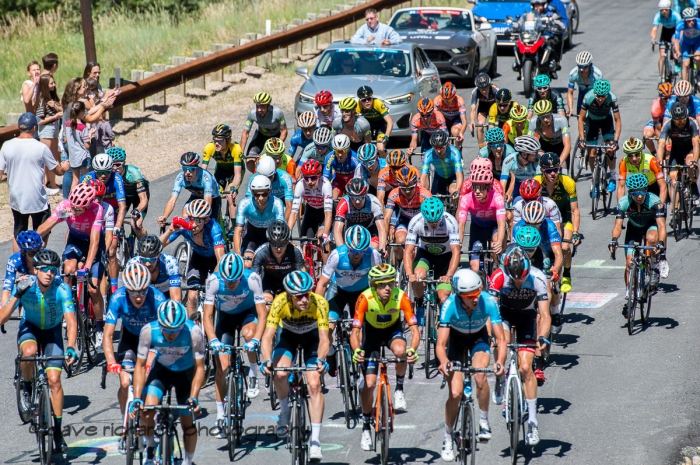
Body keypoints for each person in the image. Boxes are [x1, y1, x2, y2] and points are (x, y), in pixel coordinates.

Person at [0, 249, 77, 453]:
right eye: (44, 270)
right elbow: (2, 317)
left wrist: (71, 347)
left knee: (54, 380)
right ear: (36, 270)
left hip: (52, 332)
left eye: (53, 270)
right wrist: (17, 293)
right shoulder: (25, 285)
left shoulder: (62, 289)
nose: (49, 274)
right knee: (29, 351)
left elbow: (71, 321)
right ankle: (26, 387)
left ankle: (58, 432)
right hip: (30, 328)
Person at [437, 269, 506, 461]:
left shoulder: (488, 301)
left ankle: (484, 421)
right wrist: (444, 362)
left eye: (477, 293)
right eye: (469, 296)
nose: (475, 299)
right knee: (456, 394)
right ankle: (448, 436)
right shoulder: (450, 305)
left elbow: (501, 339)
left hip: (478, 338)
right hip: (456, 343)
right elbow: (441, 344)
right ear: (459, 296)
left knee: (480, 376)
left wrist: (500, 362)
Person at [261, 271, 330, 461]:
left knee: (314, 384)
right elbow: (267, 337)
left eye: (307, 293)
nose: (304, 299)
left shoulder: (319, 303)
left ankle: (315, 441)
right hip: (288, 338)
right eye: (298, 296)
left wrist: (322, 359)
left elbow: (325, 339)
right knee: (281, 374)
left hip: (312, 341)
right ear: (290, 296)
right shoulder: (279, 302)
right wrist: (266, 359)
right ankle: (284, 412)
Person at [351, 264, 419, 451]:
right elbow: (355, 331)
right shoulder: (365, 297)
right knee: (370, 384)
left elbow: (414, 330)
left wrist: (412, 350)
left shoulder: (401, 296)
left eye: (390, 283)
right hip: (371, 335)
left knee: (400, 351)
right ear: (374, 286)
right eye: (382, 284)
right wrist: (357, 351)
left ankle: (399, 388)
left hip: (392, 331)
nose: (388, 287)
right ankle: (365, 426)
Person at [488, 245, 550, 447]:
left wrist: (542, 337)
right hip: (504, 315)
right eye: (514, 279)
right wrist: (490, 334)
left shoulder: (538, 277)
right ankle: (500, 380)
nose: (517, 282)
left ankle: (532, 423)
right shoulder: (498, 276)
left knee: (525, 368)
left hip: (527, 318)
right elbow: (490, 311)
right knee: (501, 343)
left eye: (521, 279)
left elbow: (546, 315)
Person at [131, 300, 204, 465]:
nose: (171, 334)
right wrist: (136, 398)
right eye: (167, 330)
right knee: (147, 411)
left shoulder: (194, 332)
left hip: (185, 374)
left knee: (188, 423)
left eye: (176, 330)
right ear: (159, 324)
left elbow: (200, 368)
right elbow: (140, 366)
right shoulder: (149, 331)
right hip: (161, 371)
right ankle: (150, 446)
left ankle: (187, 461)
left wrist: (194, 398)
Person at [103, 262, 166, 452]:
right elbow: (107, 334)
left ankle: (151, 418)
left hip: (153, 340)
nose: (138, 296)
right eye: (134, 292)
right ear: (126, 289)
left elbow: (167, 332)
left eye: (142, 291)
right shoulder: (118, 298)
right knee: (124, 383)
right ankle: (126, 425)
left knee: (148, 378)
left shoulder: (157, 298)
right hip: (130, 340)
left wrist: (154, 357)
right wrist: (111, 361)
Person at [204, 252, 267, 435]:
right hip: (225, 318)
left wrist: (256, 340)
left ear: (241, 275)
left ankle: (253, 373)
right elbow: (207, 317)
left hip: (248, 314)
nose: (230, 285)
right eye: (227, 281)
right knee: (222, 368)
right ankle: (220, 417)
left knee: (248, 335)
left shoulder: (252, 278)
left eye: (235, 281)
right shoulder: (214, 281)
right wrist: (214, 340)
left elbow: (262, 314)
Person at [37, 183, 107, 343]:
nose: (74, 210)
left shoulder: (97, 209)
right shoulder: (65, 205)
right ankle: (67, 308)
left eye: (78, 209)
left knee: (94, 287)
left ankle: (99, 326)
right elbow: (42, 229)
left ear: (88, 206)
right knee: (68, 269)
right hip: (75, 240)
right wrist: (58, 219)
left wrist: (88, 267)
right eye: (73, 207)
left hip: (93, 243)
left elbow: (95, 242)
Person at [0, 113, 70, 251]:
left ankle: (19, 266)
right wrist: (65, 168)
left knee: (18, 232)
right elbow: (57, 171)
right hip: (38, 199)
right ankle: (37, 260)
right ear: (34, 128)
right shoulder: (41, 147)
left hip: (17, 198)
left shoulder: (6, 146)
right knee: (42, 231)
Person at [609, 174, 668, 317]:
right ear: (630, 193)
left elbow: (661, 226)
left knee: (652, 238)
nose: (639, 196)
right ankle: (630, 295)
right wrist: (614, 239)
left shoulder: (655, 201)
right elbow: (618, 225)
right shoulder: (623, 202)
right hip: (633, 228)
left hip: (650, 225)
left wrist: (661, 245)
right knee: (629, 263)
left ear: (646, 190)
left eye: (642, 192)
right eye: (635, 193)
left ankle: (654, 266)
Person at [160, 199, 226, 316]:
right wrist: (169, 231)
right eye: (191, 218)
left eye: (198, 220)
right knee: (192, 296)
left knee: (214, 295)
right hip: (198, 259)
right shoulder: (184, 227)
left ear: (206, 220)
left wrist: (213, 279)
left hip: (215, 261)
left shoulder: (214, 229)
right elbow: (158, 246)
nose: (194, 223)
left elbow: (221, 260)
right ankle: (192, 328)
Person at [405, 197, 461, 321]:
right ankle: (419, 303)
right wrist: (409, 274)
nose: (434, 225)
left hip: (445, 257)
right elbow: (408, 251)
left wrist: (449, 275)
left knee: (443, 297)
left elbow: (456, 251)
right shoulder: (416, 221)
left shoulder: (450, 222)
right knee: (418, 276)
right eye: (430, 222)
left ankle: (443, 321)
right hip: (426, 255)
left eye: (436, 221)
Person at [533, 153, 581, 295]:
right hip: (543, 218)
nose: (553, 173)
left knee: (565, 247)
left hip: (564, 217)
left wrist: (576, 233)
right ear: (542, 170)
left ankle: (566, 274)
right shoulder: (536, 182)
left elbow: (575, 211)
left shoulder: (568, 183)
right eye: (548, 170)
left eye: (556, 169)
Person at [457, 162, 506, 269]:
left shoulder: (497, 198)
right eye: (474, 187)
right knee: (474, 267)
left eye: (481, 188)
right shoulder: (467, 199)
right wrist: (459, 242)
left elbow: (501, 224)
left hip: (494, 227)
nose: (477, 191)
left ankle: (499, 267)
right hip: (477, 228)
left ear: (488, 187)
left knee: (498, 247)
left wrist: (499, 242)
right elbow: (461, 225)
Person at [578, 79, 621, 193]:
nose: (600, 98)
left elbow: (617, 121)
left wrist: (615, 141)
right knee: (591, 153)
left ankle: (612, 177)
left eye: (603, 96)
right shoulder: (588, 97)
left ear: (607, 94)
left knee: (610, 149)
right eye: (598, 96)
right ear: (594, 93)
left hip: (606, 122)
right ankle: (594, 178)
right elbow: (581, 119)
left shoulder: (612, 98)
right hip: (592, 122)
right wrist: (582, 139)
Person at [158, 152, 221, 228]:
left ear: (197, 168)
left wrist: (203, 216)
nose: (187, 172)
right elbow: (172, 200)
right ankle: (189, 239)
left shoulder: (205, 177)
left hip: (213, 198)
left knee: (210, 226)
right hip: (195, 197)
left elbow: (207, 200)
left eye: (191, 169)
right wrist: (165, 216)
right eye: (184, 169)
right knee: (185, 217)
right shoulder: (180, 178)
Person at [233, 175, 285, 262]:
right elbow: (237, 231)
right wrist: (238, 253)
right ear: (252, 193)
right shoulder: (244, 203)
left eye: (264, 194)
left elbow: (281, 229)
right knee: (247, 263)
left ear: (269, 192)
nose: (260, 198)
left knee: (273, 263)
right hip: (251, 236)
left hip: (271, 236)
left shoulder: (277, 203)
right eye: (257, 195)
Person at [251, 221, 305, 304]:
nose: (278, 248)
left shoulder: (295, 251)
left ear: (288, 241)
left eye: (282, 244)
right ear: (269, 241)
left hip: (289, 280)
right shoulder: (261, 252)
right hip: (269, 281)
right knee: (266, 304)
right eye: (274, 244)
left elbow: (302, 277)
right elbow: (253, 279)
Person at [657, 102, 700, 205]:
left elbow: (696, 144)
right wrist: (659, 161)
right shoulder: (668, 125)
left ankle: (693, 184)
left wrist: (695, 161)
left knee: (691, 163)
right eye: (677, 121)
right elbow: (661, 144)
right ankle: (675, 210)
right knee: (673, 180)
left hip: (689, 149)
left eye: (682, 120)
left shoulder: (692, 123)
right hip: (676, 151)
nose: (680, 123)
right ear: (672, 119)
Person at [202, 124, 244, 220]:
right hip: (221, 171)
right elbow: (203, 171)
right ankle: (216, 220)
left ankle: (235, 227)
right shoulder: (209, 147)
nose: (216, 143)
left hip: (235, 172)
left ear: (227, 140)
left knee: (230, 196)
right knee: (214, 195)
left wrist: (234, 187)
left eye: (220, 140)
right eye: (215, 139)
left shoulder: (236, 149)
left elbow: (237, 174)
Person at [384, 166, 432, 249]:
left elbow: (431, 218)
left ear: (416, 184)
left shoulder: (425, 195)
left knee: (421, 247)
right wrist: (384, 238)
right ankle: (399, 261)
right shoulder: (394, 194)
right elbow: (386, 218)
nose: (407, 191)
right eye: (403, 188)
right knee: (399, 241)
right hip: (404, 220)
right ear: (399, 186)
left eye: (411, 187)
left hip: (421, 221)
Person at [240, 92, 288, 173]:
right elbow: (245, 133)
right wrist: (241, 151)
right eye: (257, 106)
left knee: (275, 160)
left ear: (268, 106)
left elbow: (284, 131)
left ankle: (274, 176)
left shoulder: (277, 112)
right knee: (249, 160)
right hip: (260, 135)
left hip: (275, 136)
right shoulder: (252, 113)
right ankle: (258, 177)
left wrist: (277, 145)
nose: (259, 109)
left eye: (262, 107)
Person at [334, 178, 387, 251]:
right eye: (354, 197)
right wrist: (341, 251)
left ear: (366, 194)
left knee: (373, 248)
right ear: (349, 195)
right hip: (351, 231)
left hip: (370, 230)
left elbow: (381, 229)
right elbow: (337, 230)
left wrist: (382, 249)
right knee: (350, 250)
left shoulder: (373, 202)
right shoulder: (344, 203)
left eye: (361, 197)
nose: (357, 201)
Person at [107, 147, 150, 232]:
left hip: (138, 196)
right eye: (112, 165)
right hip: (124, 197)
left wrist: (137, 210)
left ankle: (145, 244)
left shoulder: (134, 174)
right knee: (115, 221)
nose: (114, 168)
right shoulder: (108, 174)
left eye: (118, 164)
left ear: (124, 163)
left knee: (136, 225)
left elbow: (144, 199)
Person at [288, 160, 334, 239]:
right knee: (305, 242)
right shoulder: (300, 185)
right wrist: (288, 233)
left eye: (313, 178)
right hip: (311, 211)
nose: (309, 182)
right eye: (306, 178)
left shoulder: (326, 185)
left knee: (321, 238)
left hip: (325, 212)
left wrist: (325, 235)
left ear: (319, 176)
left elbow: (328, 214)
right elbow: (294, 213)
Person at [130, 234, 182, 301]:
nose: (147, 264)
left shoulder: (170, 262)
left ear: (159, 256)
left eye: (152, 258)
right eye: (143, 259)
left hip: (166, 292)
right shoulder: (133, 264)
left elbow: (176, 299)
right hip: (145, 294)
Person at [35, 74, 63, 193]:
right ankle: (44, 186)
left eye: (54, 82)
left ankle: (52, 184)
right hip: (46, 130)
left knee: (52, 159)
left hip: (54, 129)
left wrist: (56, 108)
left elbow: (63, 108)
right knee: (45, 159)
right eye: (51, 83)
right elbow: (39, 120)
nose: (54, 85)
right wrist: (54, 117)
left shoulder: (52, 98)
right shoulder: (42, 100)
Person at [618, 137, 667, 203]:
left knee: (656, 209)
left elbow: (663, 186)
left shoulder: (651, 160)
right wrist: (620, 206)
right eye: (630, 155)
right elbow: (621, 187)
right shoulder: (623, 162)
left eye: (637, 154)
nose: (634, 158)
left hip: (653, 187)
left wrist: (660, 206)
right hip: (636, 190)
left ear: (641, 152)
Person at [247, 151, 294, 220]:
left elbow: (289, 206)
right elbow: (248, 202)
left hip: (281, 201)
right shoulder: (253, 179)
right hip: (263, 200)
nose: (266, 181)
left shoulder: (285, 178)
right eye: (263, 177)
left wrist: (282, 224)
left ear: (274, 173)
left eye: (269, 177)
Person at [529, 99, 571, 172]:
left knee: (563, 169)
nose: (545, 119)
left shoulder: (561, 120)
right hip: (544, 146)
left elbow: (567, 145)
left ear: (551, 112)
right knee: (541, 168)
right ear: (538, 116)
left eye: (547, 116)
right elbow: (530, 143)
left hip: (560, 146)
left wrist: (559, 163)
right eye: (542, 117)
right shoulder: (533, 122)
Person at [3, 231, 43, 306]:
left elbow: (57, 285)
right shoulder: (14, 260)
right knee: (22, 284)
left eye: (39, 251)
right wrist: (5, 314)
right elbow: (7, 290)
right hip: (26, 294)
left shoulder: (48, 257)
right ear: (23, 252)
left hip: (45, 291)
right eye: (31, 253)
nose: (36, 256)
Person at [420, 130, 464, 196]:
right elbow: (423, 176)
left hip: (453, 176)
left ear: (446, 145)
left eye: (441, 147)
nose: (438, 150)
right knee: (433, 198)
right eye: (435, 147)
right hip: (439, 177)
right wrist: (422, 191)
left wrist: (457, 190)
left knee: (454, 191)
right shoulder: (428, 154)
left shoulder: (454, 152)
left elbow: (459, 174)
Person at [502, 135, 543, 201]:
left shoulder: (538, 161)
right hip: (515, 184)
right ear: (524, 154)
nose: (537, 155)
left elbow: (538, 185)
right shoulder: (508, 161)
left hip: (532, 185)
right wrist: (505, 197)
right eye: (534, 153)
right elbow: (502, 186)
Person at [652, 0, 683, 82]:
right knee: (662, 55)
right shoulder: (658, 15)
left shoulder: (676, 15)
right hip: (665, 31)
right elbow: (654, 29)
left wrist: (678, 40)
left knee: (674, 43)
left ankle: (677, 61)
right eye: (662, 10)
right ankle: (662, 77)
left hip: (674, 30)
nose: (664, 12)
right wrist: (653, 38)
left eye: (666, 10)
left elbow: (680, 28)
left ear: (669, 9)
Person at [324, 133, 361, 199]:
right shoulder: (329, 157)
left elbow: (360, 178)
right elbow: (325, 178)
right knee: (332, 195)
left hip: (352, 181)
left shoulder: (355, 158)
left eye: (343, 151)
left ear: (348, 149)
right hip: (338, 181)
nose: (340, 155)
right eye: (337, 151)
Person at [567, 51, 603, 118]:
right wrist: (570, 109)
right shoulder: (573, 74)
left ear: (590, 65)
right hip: (582, 93)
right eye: (579, 66)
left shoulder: (597, 74)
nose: (581, 69)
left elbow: (600, 92)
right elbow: (570, 93)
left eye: (584, 67)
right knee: (580, 117)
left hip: (594, 94)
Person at [470, 73, 500, 148]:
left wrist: (497, 120)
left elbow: (500, 107)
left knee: (495, 126)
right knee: (480, 126)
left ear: (489, 85)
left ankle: (494, 144)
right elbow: (473, 109)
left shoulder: (495, 90)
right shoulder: (475, 92)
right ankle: (481, 149)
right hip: (483, 107)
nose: (483, 91)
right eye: (481, 89)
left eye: (486, 88)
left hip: (494, 107)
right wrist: (472, 122)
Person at [434, 82, 467, 147]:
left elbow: (464, 121)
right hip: (444, 119)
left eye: (449, 100)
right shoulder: (437, 100)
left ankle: (458, 150)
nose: (447, 102)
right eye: (444, 99)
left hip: (456, 119)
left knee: (455, 132)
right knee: (441, 136)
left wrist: (461, 134)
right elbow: (434, 119)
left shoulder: (459, 101)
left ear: (454, 96)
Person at [644, 83, 674, 155]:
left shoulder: (676, 101)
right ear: (660, 97)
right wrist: (661, 146)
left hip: (672, 122)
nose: (668, 100)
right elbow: (658, 129)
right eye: (665, 98)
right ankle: (654, 154)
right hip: (658, 122)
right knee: (647, 136)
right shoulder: (655, 107)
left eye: (669, 97)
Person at [673, 8, 700, 83]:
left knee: (697, 58)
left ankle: (699, 74)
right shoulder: (680, 24)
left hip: (698, 42)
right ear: (684, 20)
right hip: (686, 43)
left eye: (693, 20)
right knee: (685, 64)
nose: (691, 22)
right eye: (689, 21)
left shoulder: (699, 23)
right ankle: (684, 84)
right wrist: (677, 51)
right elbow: (676, 40)